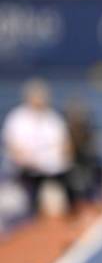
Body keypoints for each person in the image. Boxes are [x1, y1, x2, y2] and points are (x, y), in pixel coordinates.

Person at [2, 79, 75, 217]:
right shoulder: (17, 118)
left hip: (53, 170)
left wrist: (60, 158)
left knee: (65, 190)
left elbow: (66, 145)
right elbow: (13, 148)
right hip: (26, 170)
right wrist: (32, 162)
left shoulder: (53, 118)